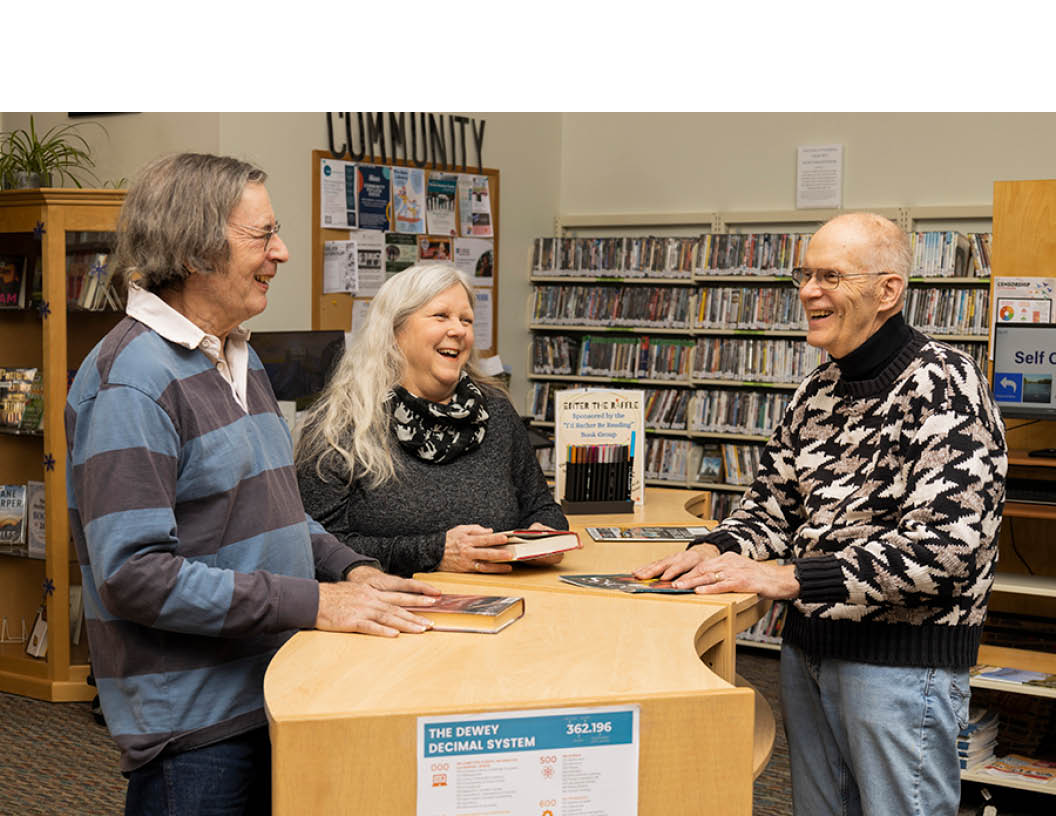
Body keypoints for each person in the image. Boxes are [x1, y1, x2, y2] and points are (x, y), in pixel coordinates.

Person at [65, 153, 439, 815]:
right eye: (263, 236)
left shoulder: (239, 354)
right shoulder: (130, 381)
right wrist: (315, 604)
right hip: (196, 729)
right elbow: (136, 575)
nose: (283, 252)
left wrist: (352, 572)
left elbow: (272, 513)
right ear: (196, 246)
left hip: (275, 693)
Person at [634, 212, 1007, 816]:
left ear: (888, 291)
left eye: (830, 275)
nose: (809, 292)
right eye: (804, 275)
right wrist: (719, 547)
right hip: (807, 653)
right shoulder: (817, 391)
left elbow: (946, 550)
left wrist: (788, 578)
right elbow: (773, 506)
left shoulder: (946, 383)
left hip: (897, 668)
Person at [296, 263, 568, 577]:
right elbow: (318, 547)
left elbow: (542, 505)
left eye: (466, 320)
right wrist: (434, 552)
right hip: (393, 611)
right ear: (395, 330)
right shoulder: (340, 423)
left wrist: (545, 537)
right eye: (441, 316)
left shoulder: (496, 411)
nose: (459, 330)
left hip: (507, 599)